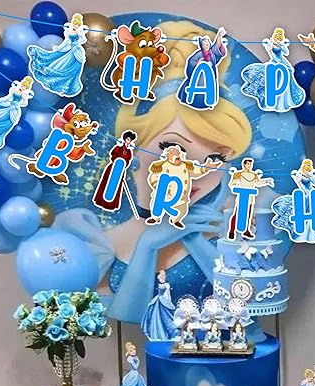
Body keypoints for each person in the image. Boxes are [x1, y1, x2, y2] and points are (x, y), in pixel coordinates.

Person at [78, 20, 253, 325]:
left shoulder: (221, 229)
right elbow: (122, 316)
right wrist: (148, 245)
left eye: (215, 157)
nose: (194, 172)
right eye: (174, 147)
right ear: (134, 150)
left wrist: (193, 237)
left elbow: (245, 301)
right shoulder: (101, 241)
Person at [145, 144, 222, 227]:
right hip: (165, 195)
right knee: (157, 206)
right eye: (173, 153)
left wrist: (206, 167)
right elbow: (154, 177)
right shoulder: (162, 166)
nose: (177, 155)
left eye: (178, 153)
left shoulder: (186, 166)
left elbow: (196, 172)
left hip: (180, 196)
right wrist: (158, 186)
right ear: (168, 156)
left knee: (181, 209)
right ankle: (155, 217)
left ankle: (176, 220)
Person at [241, 28, 306, 113]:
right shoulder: (270, 45)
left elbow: (286, 52)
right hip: (275, 62)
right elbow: (272, 54)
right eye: (277, 38)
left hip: (282, 61)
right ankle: (274, 100)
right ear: (274, 37)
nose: (278, 39)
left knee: (288, 75)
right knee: (275, 79)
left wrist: (282, 45)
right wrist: (277, 60)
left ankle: (286, 100)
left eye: (279, 38)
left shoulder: (280, 45)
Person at [271, 159, 315, 244]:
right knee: (307, 206)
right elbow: (301, 186)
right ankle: (306, 231)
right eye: (306, 169)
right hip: (305, 193)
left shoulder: (309, 175)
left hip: (312, 192)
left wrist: (311, 176)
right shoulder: (299, 176)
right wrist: (306, 192)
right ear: (303, 168)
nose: (307, 170)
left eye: (308, 169)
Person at [27, 12, 88, 97]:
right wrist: (59, 48)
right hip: (68, 49)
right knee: (56, 61)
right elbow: (66, 41)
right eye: (75, 23)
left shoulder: (79, 32)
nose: (76, 25)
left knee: (73, 69)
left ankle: (67, 85)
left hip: (76, 51)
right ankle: (53, 78)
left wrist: (79, 37)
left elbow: (82, 40)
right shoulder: (69, 31)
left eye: (77, 24)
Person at [177, 27, 228, 109]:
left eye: (208, 41)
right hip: (197, 80)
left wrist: (219, 36)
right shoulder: (199, 54)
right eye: (204, 41)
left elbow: (217, 47)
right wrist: (197, 63)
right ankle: (191, 101)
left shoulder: (212, 54)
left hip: (208, 81)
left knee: (208, 93)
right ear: (201, 44)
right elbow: (191, 62)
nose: (206, 43)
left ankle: (208, 103)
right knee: (195, 93)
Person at [227, 157, 274, 240]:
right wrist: (236, 187)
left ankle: (246, 231)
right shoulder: (238, 174)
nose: (249, 166)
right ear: (244, 164)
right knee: (237, 214)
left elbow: (258, 183)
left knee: (248, 215)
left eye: (250, 164)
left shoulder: (253, 174)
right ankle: (232, 231)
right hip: (242, 198)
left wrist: (267, 181)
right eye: (248, 164)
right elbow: (232, 184)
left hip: (250, 198)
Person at [93, 130, 138, 213]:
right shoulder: (118, 147)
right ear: (125, 139)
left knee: (116, 187)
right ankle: (101, 201)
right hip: (113, 168)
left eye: (130, 140)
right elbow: (113, 155)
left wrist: (123, 165)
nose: (128, 141)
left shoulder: (129, 151)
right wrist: (117, 161)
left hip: (121, 170)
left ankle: (110, 205)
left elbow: (128, 160)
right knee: (107, 183)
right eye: (128, 139)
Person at [141, 269, 177, 341]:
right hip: (159, 301)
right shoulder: (161, 284)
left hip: (164, 301)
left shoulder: (167, 285)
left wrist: (168, 301)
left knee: (165, 316)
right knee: (156, 316)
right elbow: (161, 291)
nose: (162, 277)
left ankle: (167, 333)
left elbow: (167, 294)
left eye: (163, 275)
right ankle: (157, 334)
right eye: (161, 276)